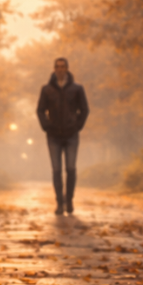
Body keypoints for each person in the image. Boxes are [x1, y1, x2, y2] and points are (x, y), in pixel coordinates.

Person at [36, 57, 89, 215]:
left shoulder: (77, 89)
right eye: (57, 67)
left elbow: (85, 110)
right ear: (54, 69)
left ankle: (69, 201)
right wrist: (46, 126)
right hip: (53, 136)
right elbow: (40, 110)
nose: (60, 69)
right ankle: (59, 203)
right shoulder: (46, 89)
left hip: (71, 135)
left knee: (71, 169)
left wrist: (77, 126)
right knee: (56, 170)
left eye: (63, 66)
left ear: (67, 69)